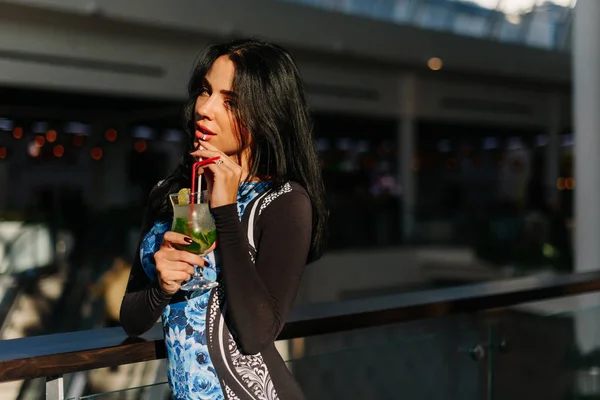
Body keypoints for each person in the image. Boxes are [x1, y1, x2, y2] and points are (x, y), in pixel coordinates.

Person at [120, 38, 327, 400]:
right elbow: (132, 319)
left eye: (230, 101)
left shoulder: (284, 201)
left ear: (266, 114)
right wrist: (161, 288)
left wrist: (225, 209)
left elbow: (256, 333)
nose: (206, 108)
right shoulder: (170, 195)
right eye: (205, 91)